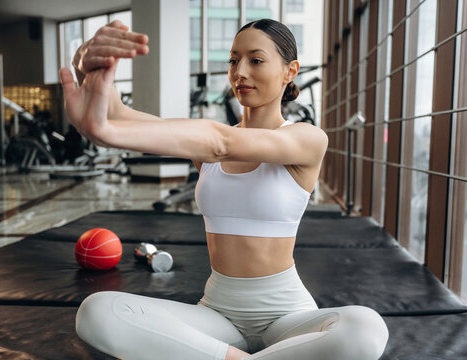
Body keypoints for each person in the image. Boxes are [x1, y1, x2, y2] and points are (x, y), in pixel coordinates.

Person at [61, 19, 389, 360]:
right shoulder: (208, 141)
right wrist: (92, 72)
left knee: (365, 329)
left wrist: (103, 130)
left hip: (288, 315)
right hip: (217, 313)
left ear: (290, 71)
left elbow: (221, 143)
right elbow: (121, 115)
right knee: (97, 311)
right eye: (234, 60)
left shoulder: (306, 138)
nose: (240, 72)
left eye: (256, 60)